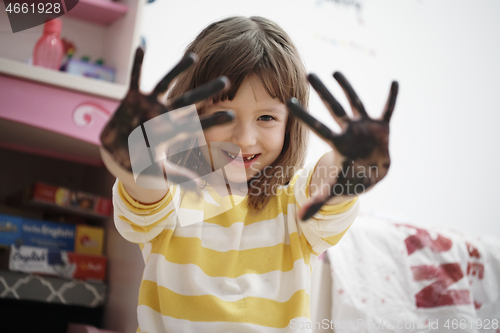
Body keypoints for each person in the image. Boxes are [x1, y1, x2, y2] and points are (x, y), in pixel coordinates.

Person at [100, 16, 398, 333]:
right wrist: (134, 154)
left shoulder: (295, 205)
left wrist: (351, 167)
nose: (244, 138)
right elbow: (145, 184)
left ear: (290, 125)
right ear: (189, 116)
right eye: (224, 115)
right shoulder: (173, 194)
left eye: (267, 117)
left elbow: (329, 179)